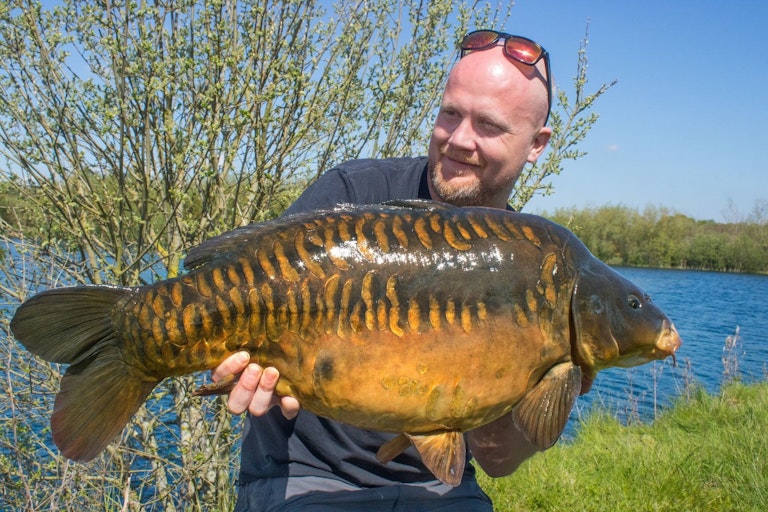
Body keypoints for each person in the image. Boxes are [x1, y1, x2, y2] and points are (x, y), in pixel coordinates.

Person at [215, 29, 554, 511]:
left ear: (536, 143)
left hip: (438, 488)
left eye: (489, 126)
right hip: (306, 476)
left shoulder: (538, 271)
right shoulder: (350, 195)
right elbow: (240, 295)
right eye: (450, 113)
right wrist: (227, 353)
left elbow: (498, 461)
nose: (459, 139)